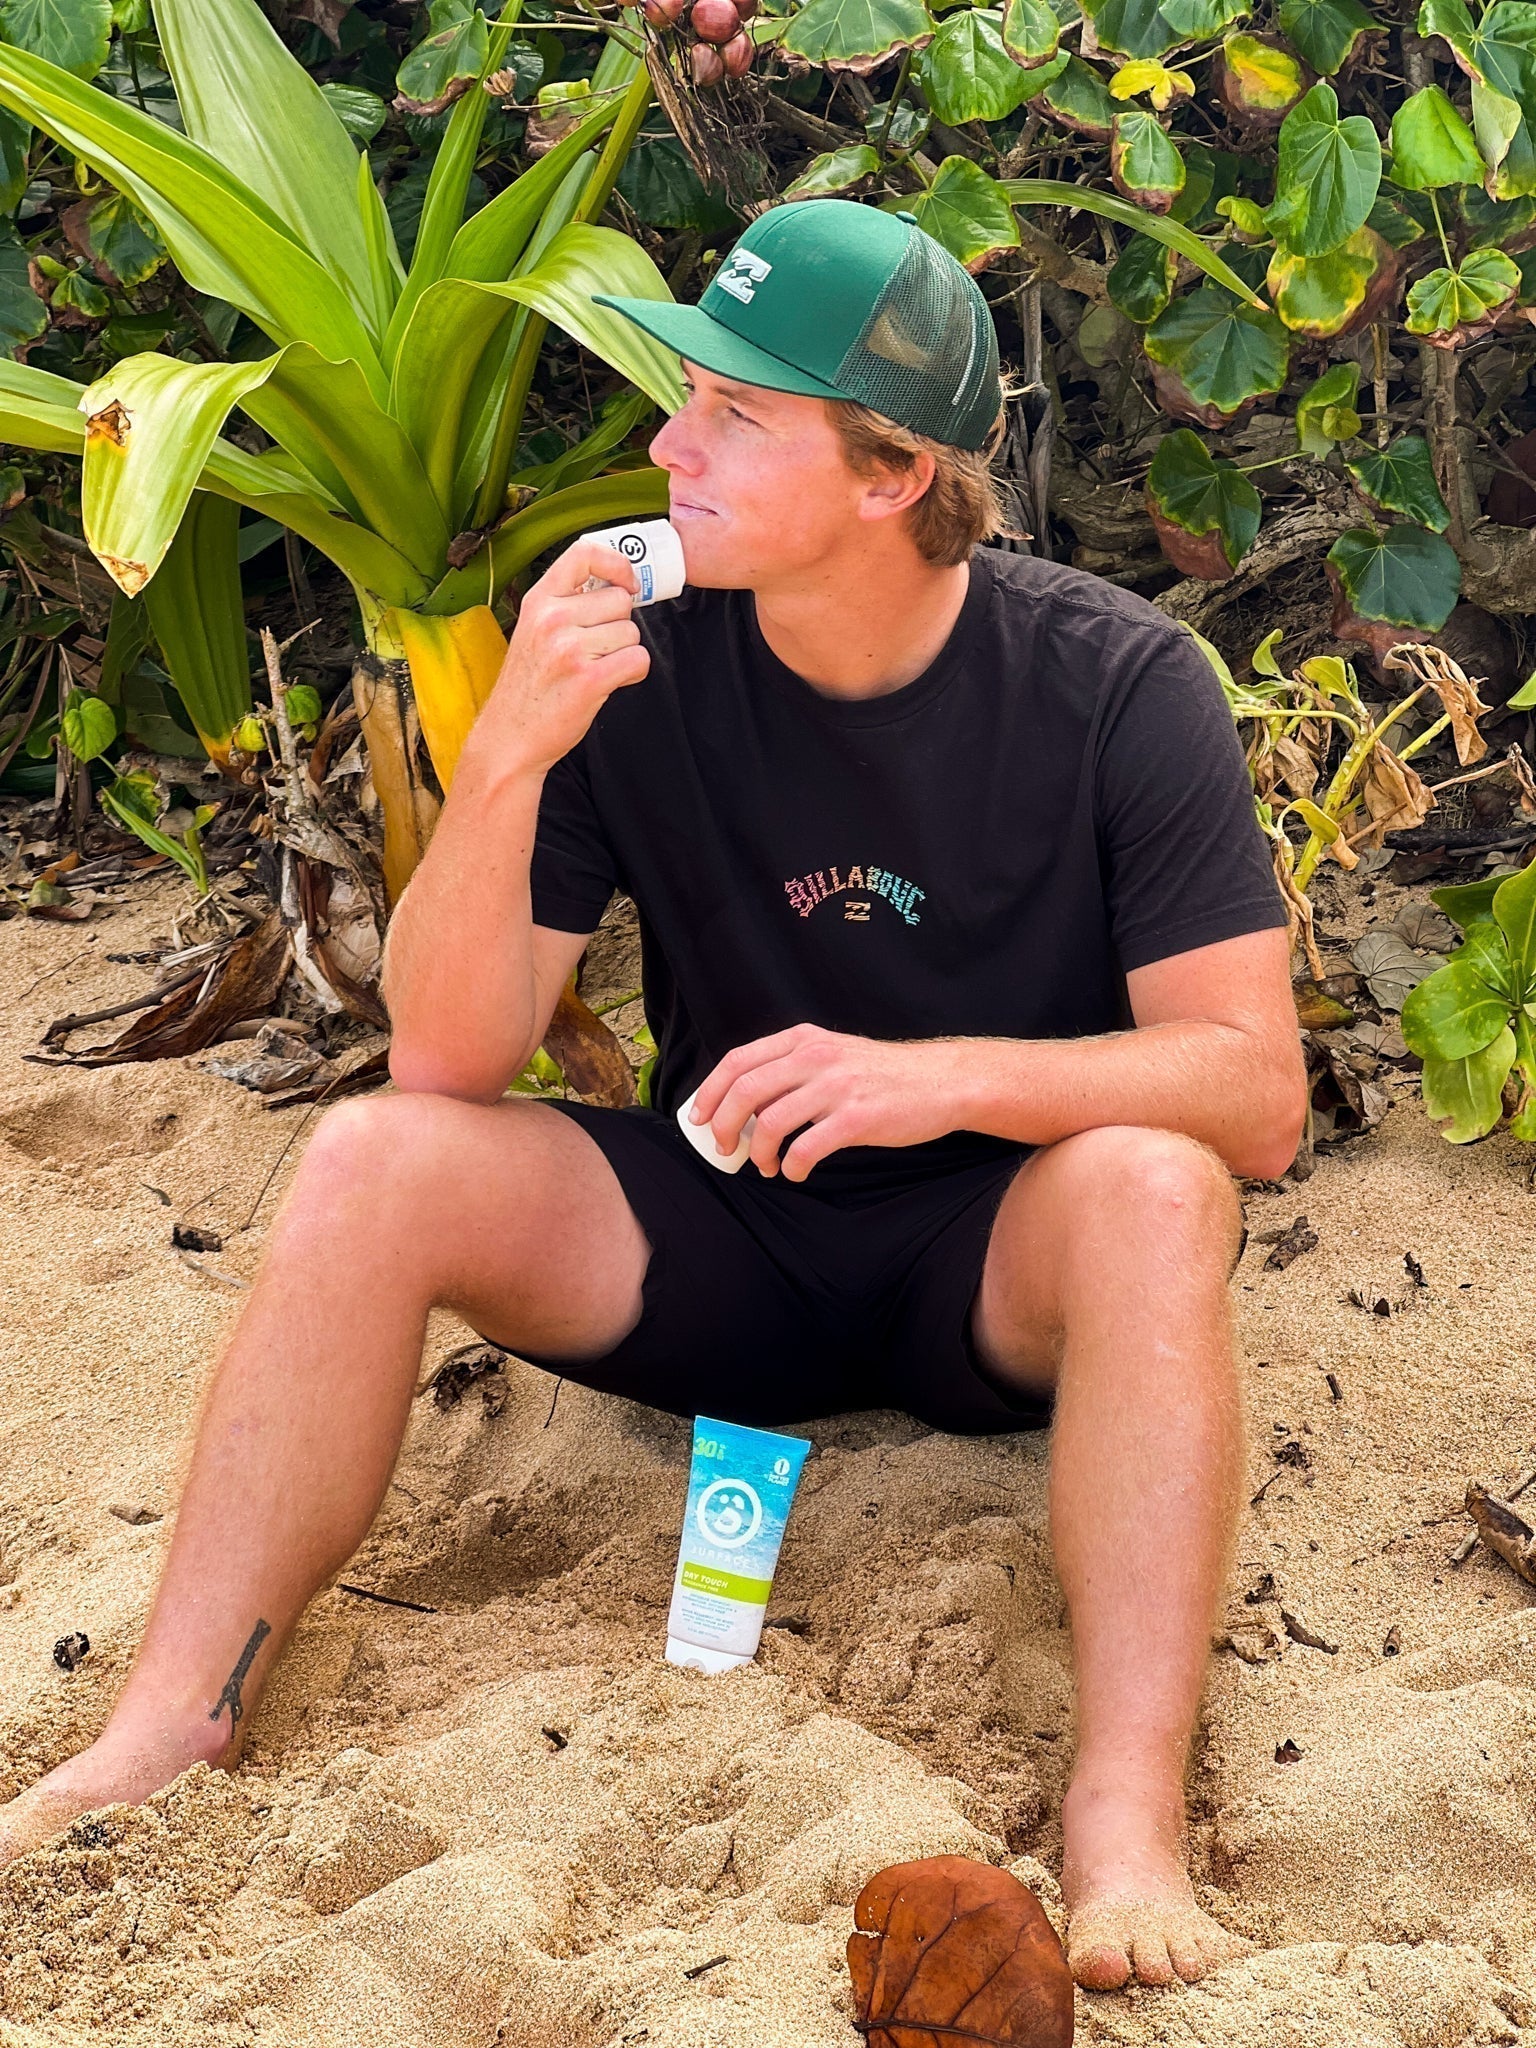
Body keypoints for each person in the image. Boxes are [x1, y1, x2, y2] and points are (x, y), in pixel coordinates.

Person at [0, 200, 1306, 1993]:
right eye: (684, 394)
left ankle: (1125, 1818)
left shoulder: (1112, 683)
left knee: (1162, 1187)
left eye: (734, 414)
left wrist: (936, 1081)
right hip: (720, 1244)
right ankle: (170, 1720)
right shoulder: (643, 657)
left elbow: (1255, 1092)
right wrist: (516, 747)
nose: (666, 443)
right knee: (379, 1159)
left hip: (993, 1272)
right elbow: (453, 1060)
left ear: (890, 474)